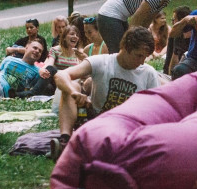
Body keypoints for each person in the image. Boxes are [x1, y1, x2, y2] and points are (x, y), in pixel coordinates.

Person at [51, 26, 160, 160]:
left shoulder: (148, 73)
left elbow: (156, 108)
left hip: (128, 126)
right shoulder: (102, 62)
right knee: (70, 86)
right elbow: (61, 75)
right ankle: (64, 141)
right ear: (126, 48)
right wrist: (74, 92)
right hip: (97, 118)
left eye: (145, 57)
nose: (142, 61)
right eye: (139, 55)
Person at [98, 0, 188, 54]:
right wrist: (130, 41)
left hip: (119, 16)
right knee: (119, 53)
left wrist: (141, 38)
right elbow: (136, 19)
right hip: (108, 15)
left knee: (127, 51)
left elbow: (147, 20)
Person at [28, 24, 87, 97]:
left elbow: (83, 72)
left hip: (72, 82)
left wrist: (84, 58)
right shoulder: (55, 50)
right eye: (72, 34)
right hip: (56, 81)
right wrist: (42, 69)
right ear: (64, 37)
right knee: (50, 71)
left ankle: (31, 92)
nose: (75, 36)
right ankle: (32, 92)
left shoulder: (80, 52)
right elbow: (50, 64)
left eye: (77, 35)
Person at [164, 5, 192, 74]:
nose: (172, 22)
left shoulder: (196, 37)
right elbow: (170, 60)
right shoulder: (175, 36)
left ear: (181, 21)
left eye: (173, 20)